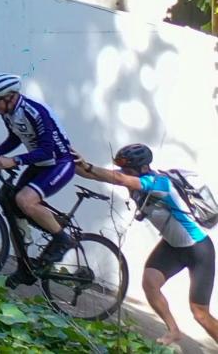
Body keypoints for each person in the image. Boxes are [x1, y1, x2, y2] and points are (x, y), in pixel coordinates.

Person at [74, 144, 218, 346]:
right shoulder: (135, 180)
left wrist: (88, 166)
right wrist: (67, 158)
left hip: (198, 249)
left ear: (142, 168)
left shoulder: (158, 183)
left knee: (200, 313)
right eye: (123, 168)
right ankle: (174, 331)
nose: (124, 172)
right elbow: (97, 175)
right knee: (150, 283)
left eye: (128, 169)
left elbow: (119, 178)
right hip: (172, 246)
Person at [0, 73, 76, 288]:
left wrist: (15, 160)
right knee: (12, 210)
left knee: (25, 200)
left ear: (10, 97)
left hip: (59, 162)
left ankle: (62, 239)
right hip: (40, 163)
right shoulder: (9, 112)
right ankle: (25, 267)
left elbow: (47, 151)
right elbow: (14, 138)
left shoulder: (35, 112)